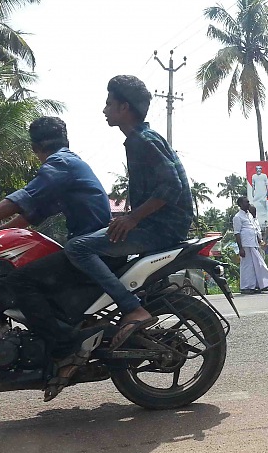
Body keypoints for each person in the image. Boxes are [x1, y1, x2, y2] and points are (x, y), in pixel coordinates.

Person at [0, 117, 112, 399]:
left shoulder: (59, 165)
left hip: (90, 250)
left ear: (36, 146)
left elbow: (21, 199)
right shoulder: (67, 166)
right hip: (90, 247)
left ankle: (66, 345)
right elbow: (30, 214)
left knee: (19, 281)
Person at [65, 75, 193, 349]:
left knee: (77, 248)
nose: (104, 109)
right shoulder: (141, 138)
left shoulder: (142, 141)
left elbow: (172, 186)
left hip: (162, 228)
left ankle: (131, 308)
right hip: (159, 224)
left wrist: (132, 218)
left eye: (109, 103)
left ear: (124, 107)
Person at [233, 196, 268, 294]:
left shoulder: (249, 215)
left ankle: (256, 285)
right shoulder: (237, 217)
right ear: (240, 204)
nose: (248, 204)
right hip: (245, 245)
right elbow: (237, 233)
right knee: (247, 266)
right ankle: (246, 286)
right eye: (246, 202)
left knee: (256, 265)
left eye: (248, 202)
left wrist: (260, 240)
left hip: (254, 244)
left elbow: (254, 229)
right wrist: (241, 248)